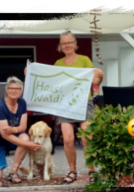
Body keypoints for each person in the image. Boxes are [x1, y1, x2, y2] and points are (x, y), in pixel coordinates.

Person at [24, 31, 104, 183]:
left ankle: (91, 171)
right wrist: (31, 74)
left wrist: (101, 76)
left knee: (88, 138)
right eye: (63, 43)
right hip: (64, 104)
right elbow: (51, 83)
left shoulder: (84, 60)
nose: (67, 45)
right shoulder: (58, 64)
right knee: (68, 139)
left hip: (83, 103)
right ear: (60, 46)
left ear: (75, 44)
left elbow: (95, 82)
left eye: (69, 42)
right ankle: (72, 171)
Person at [0, 76, 42, 185]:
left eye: (17, 89)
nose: (14, 91)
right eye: (11, 88)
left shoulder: (22, 103)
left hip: (12, 136)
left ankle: (13, 172)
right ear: (6, 90)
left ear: (21, 91)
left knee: (25, 137)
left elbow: (23, 127)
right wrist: (28, 145)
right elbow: (4, 135)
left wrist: (12, 129)